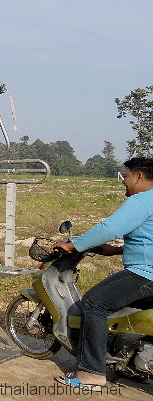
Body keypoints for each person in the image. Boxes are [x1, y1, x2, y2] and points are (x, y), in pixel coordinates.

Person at [52, 157, 153, 389]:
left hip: (146, 275)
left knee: (94, 303)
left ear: (138, 176)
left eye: (126, 176)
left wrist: (74, 245)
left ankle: (91, 373)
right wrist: (117, 250)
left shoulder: (141, 200)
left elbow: (110, 227)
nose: (124, 181)